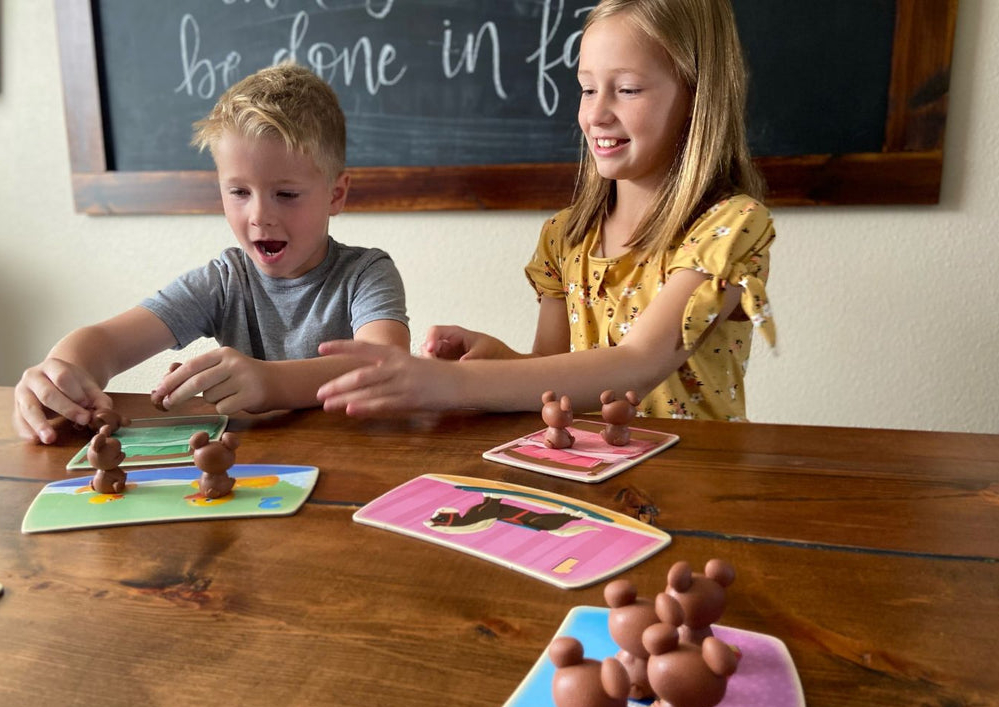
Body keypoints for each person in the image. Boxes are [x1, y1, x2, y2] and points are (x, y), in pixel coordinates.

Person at [316, 0, 775, 421]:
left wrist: (450, 383)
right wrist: (501, 359)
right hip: (593, 477)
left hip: (697, 482)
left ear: (698, 97)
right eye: (588, 88)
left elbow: (638, 364)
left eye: (628, 90)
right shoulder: (567, 236)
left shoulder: (730, 227)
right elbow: (558, 373)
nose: (597, 113)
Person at [13, 63, 409, 444]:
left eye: (286, 194)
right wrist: (61, 376)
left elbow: (385, 364)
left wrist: (269, 383)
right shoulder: (224, 281)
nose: (259, 216)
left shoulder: (366, 273)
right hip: (252, 476)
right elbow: (104, 343)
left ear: (335, 195)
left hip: (355, 468)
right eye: (239, 192)